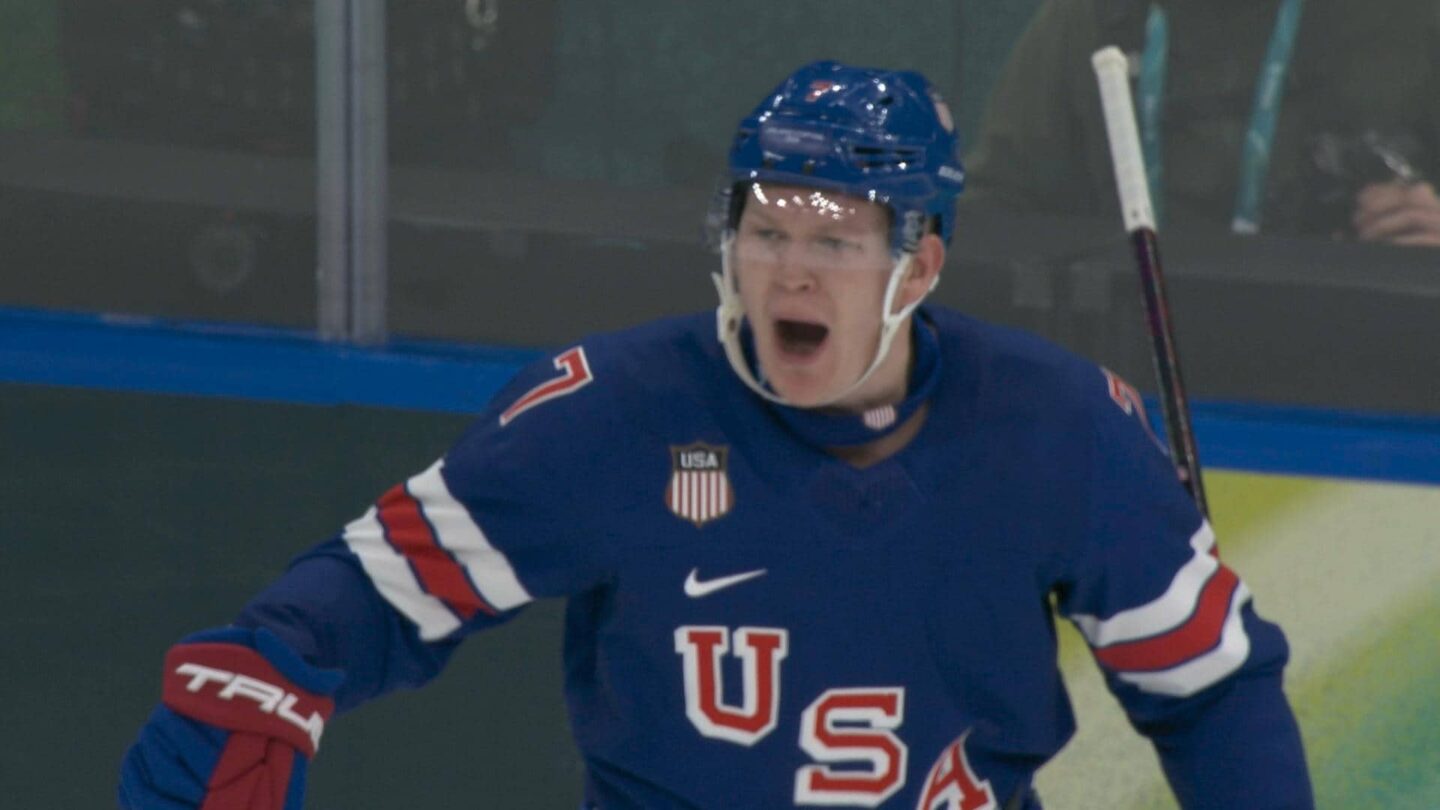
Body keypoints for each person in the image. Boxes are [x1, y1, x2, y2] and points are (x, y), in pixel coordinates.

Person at [118, 60, 1313, 809]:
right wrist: (274, 662)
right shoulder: (612, 415)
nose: (790, 269)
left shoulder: (1058, 430)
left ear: (920, 265)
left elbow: (1208, 689)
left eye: (835, 241)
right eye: (765, 232)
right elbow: (379, 595)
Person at [966, 0, 1440, 245]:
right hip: (1128, 356)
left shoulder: (1411, 27)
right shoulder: (1093, 20)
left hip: (1363, 376)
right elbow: (995, 225)